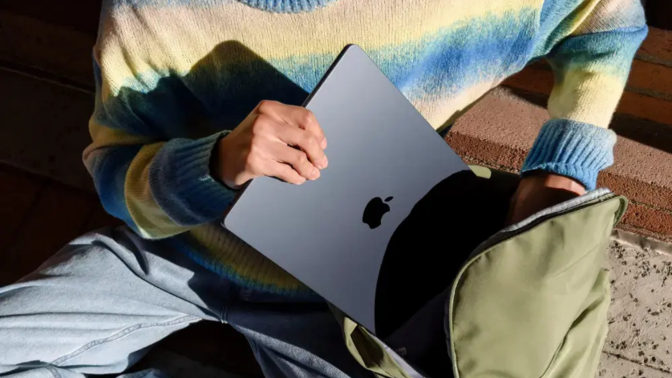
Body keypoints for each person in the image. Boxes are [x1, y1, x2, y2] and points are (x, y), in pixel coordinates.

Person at [0, 0, 646, 377]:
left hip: (346, 299)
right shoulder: (152, 11)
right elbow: (115, 173)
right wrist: (211, 166)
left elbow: (609, 19)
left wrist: (563, 162)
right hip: (178, 257)